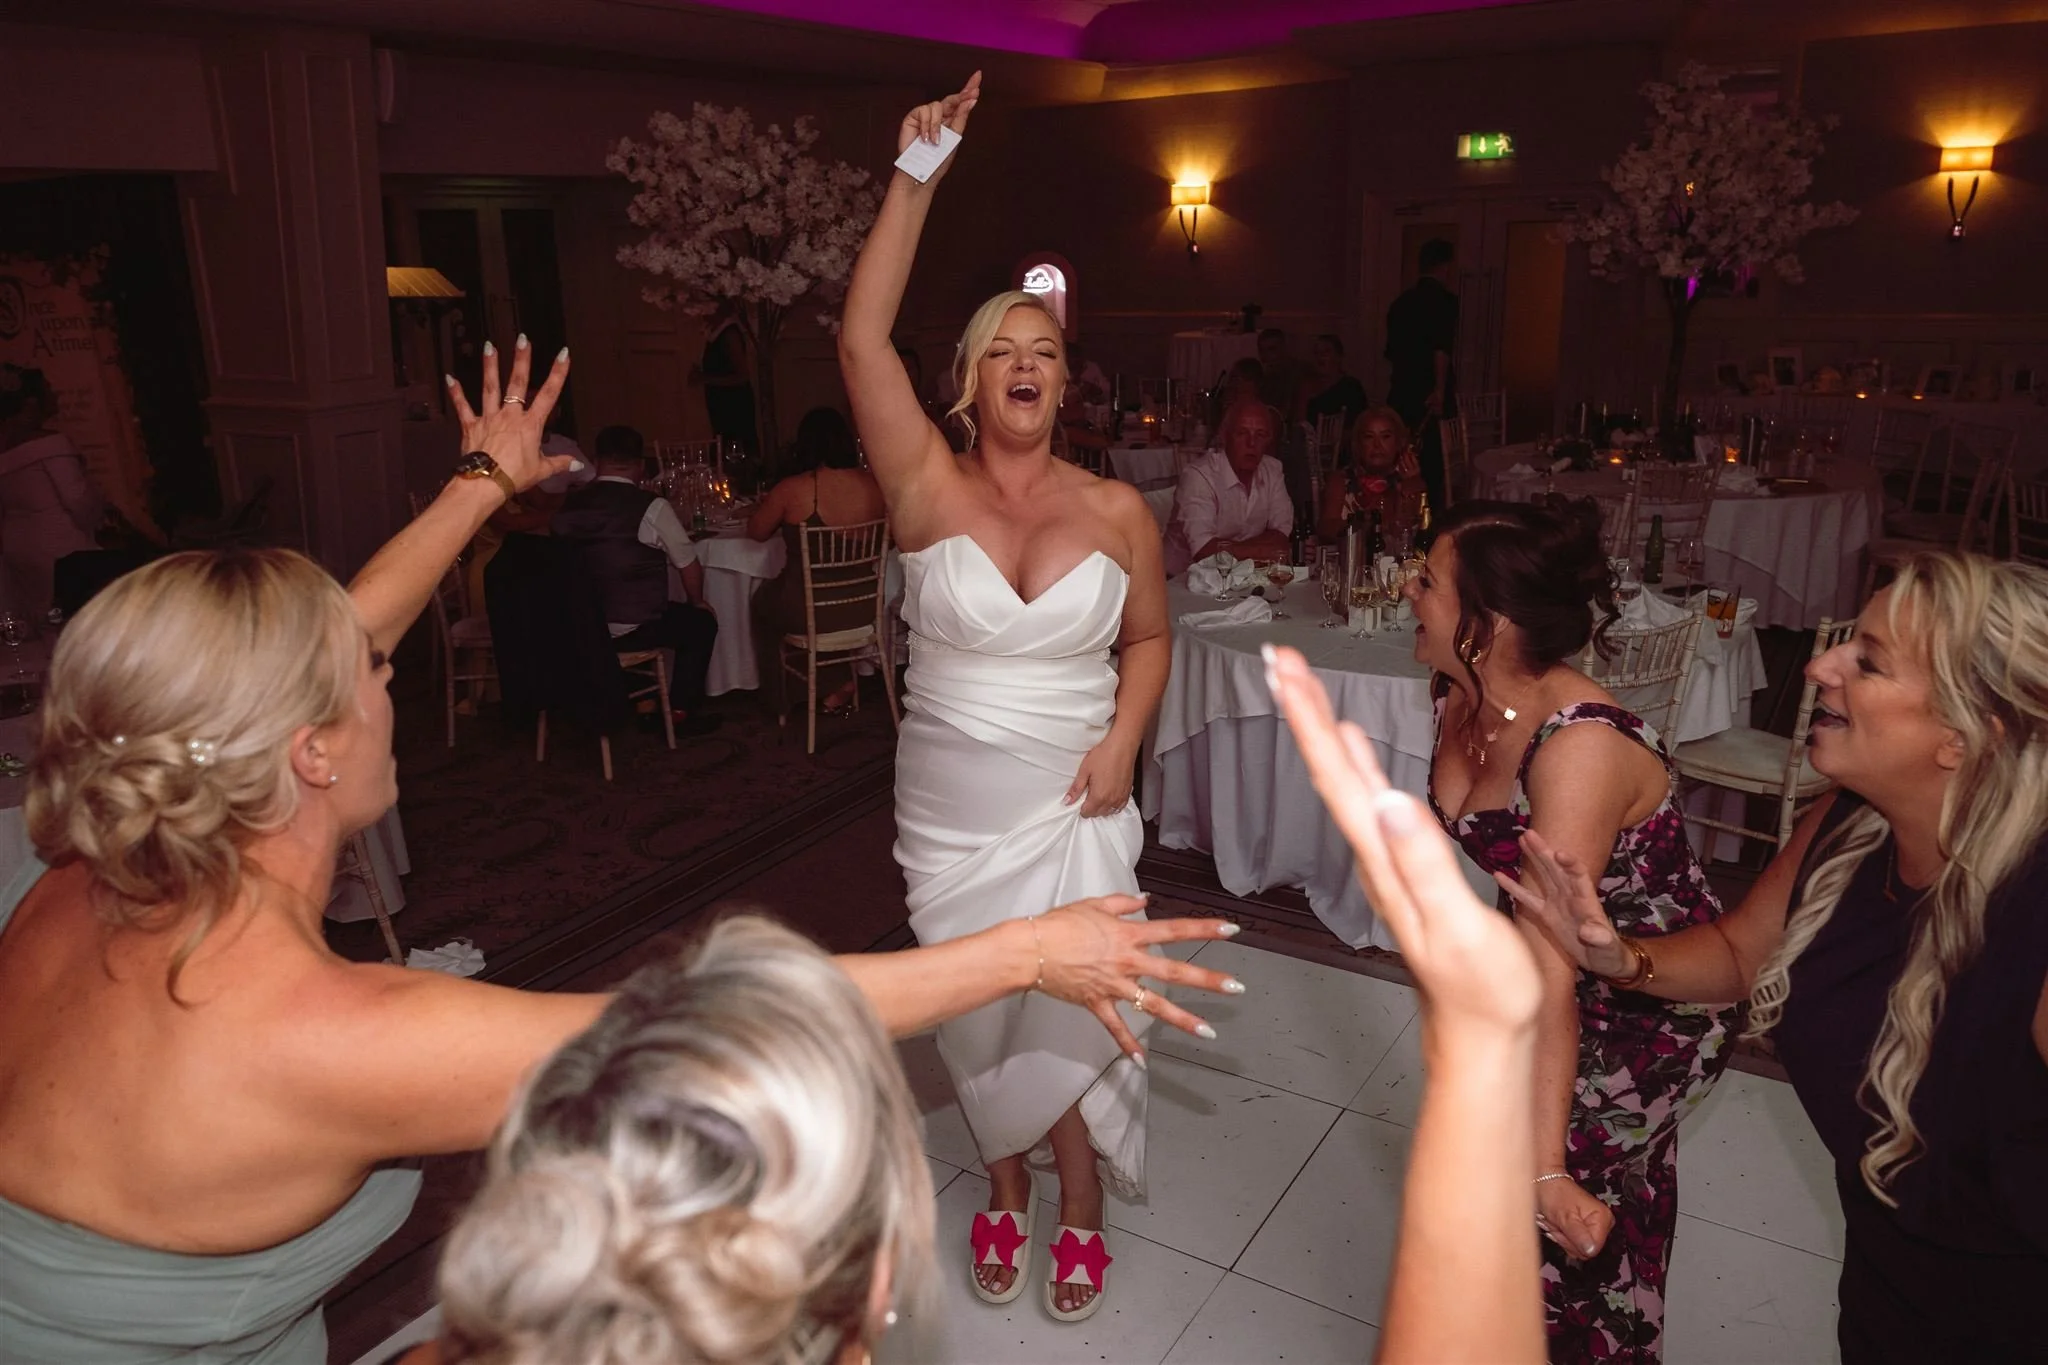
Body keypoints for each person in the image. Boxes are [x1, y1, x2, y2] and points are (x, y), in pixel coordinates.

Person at [0, 339, 1241, 1364]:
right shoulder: (321, 1028)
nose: (385, 663)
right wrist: (1030, 949)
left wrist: (480, 482)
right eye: (372, 672)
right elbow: (712, 1023)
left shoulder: (87, 862)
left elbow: (322, 636)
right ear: (310, 751)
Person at [838, 72, 1202, 1323]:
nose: (1023, 364)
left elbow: (1150, 640)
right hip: (948, 806)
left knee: (1076, 1000)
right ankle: (1000, 1191)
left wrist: (1123, 740)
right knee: (973, 1007)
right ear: (965, 383)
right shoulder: (921, 486)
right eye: (1000, 351)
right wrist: (915, 173)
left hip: (1072, 793)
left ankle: (1080, 1205)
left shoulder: (1115, 511)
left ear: (1067, 380)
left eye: (1042, 350)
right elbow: (855, 337)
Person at [1504, 551, 2048, 1364]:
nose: (1822, 664)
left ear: (1965, 735)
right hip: (1884, 1279)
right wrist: (1619, 958)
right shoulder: (1851, 822)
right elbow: (1738, 952)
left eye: (1867, 661)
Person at [1406, 496, 1738, 1363]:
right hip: (1553, 969)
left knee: (1549, 1194)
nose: (1411, 591)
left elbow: (1557, 970)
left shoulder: (1576, 749)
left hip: (1652, 998)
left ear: (1489, 623)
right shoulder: (1460, 688)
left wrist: (1545, 1166)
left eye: (1430, 581)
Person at [1266, 643, 1544, 1365]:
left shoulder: (1573, 740)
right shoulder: (1450, 698)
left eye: (1865, 658)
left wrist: (1480, 1055)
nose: (1824, 665)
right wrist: (1482, 1038)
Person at [550, 424, 721, 736]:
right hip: (629, 627)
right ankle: (680, 711)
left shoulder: (568, 504)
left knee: (646, 609)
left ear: (596, 460)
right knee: (700, 624)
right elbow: (688, 564)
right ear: (641, 465)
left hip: (576, 625)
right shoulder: (650, 506)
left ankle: (643, 700)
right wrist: (697, 602)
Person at [747, 406, 887, 714]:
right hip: (862, 607)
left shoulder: (793, 489)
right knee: (794, 605)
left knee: (762, 603)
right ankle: (835, 684)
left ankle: (783, 699)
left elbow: (756, 532)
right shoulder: (876, 486)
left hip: (807, 609)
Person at [0, 364, 102, 615]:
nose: (55, 395)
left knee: (39, 622)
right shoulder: (51, 444)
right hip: (62, 550)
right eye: (49, 390)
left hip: (17, 547)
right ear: (32, 402)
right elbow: (79, 501)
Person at [1163, 397, 1292, 575]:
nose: (1251, 443)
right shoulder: (1199, 476)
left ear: (1269, 440)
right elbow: (1204, 553)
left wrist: (1225, 549)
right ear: (1224, 437)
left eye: (1260, 435)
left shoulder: (1273, 470)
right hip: (1180, 582)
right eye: (1242, 433)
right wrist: (1263, 550)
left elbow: (1282, 538)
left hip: (1238, 579)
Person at [1385, 239, 1459, 511]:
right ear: (1446, 267)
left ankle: (1402, 512)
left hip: (1402, 391)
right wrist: (1439, 388)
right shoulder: (1445, 302)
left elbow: (1392, 354)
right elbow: (1441, 348)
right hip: (1429, 393)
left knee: (1401, 458)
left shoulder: (1400, 304)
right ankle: (1431, 520)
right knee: (1434, 465)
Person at [1315, 406, 1426, 546]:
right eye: (1369, 437)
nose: (1377, 445)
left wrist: (1411, 484)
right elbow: (1326, 527)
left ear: (1398, 442)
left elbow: (1411, 531)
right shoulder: (1340, 480)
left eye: (1385, 437)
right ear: (1359, 444)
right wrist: (1366, 529)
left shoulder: (1409, 480)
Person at [1292, 333, 1370, 435]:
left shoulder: (1351, 387)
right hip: (1310, 446)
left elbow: (1360, 425)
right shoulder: (1306, 386)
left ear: (1339, 357)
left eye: (1326, 352)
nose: (1320, 357)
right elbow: (1299, 425)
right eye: (1317, 353)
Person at [1255, 327, 1304, 416]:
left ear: (1284, 348)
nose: (1265, 355)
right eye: (1261, 350)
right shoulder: (1263, 377)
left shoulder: (1297, 373)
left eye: (1271, 349)